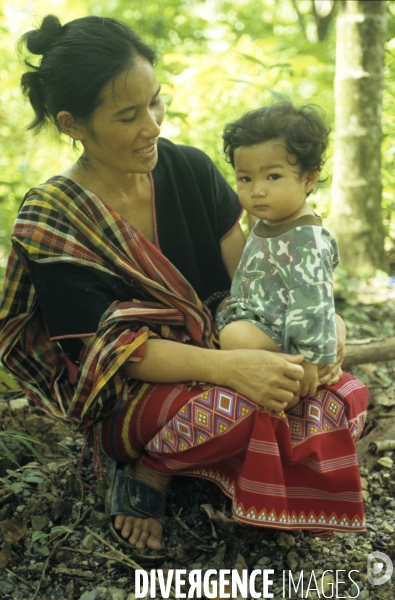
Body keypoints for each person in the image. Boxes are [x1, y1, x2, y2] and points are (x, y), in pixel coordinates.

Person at [0, 15, 368, 552]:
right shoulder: (56, 220)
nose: (152, 125)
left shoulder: (190, 170)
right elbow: (112, 354)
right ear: (72, 124)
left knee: (346, 393)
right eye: (129, 115)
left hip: (229, 347)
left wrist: (325, 320)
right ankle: (147, 470)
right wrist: (234, 370)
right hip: (139, 390)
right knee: (238, 410)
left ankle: (216, 462)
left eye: (156, 102)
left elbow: (254, 281)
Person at [217, 103, 338, 405]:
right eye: (245, 179)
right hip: (265, 314)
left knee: (234, 337)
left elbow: (311, 299)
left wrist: (309, 360)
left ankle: (289, 378)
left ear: (309, 178)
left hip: (285, 328)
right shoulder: (271, 222)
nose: (257, 190)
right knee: (223, 317)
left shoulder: (304, 238)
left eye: (272, 177)